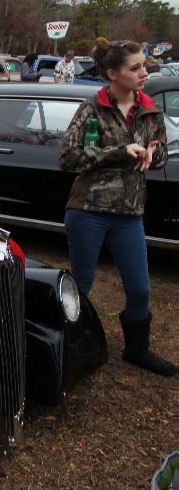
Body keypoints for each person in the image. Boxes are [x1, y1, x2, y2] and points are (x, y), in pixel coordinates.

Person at [58, 37, 176, 376]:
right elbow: (67, 158)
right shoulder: (91, 109)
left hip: (129, 215)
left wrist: (154, 155)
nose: (144, 72)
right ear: (113, 73)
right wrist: (118, 152)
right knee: (81, 284)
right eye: (135, 67)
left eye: (144, 66)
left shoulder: (151, 110)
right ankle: (71, 346)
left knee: (140, 287)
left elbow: (161, 155)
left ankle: (137, 350)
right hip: (88, 211)